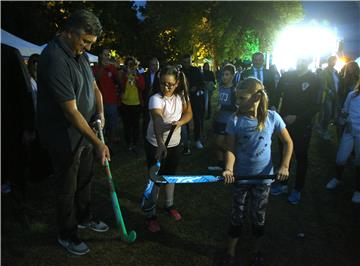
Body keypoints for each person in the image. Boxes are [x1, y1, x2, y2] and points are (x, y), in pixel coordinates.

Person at [37, 9, 111, 256]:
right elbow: (70, 111)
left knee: (85, 179)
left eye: (91, 43)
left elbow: (94, 87)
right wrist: (98, 143)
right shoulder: (54, 58)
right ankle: (66, 233)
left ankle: (85, 216)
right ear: (69, 32)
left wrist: (100, 114)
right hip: (64, 136)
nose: (87, 47)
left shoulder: (79, 54)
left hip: (85, 132)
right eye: (85, 41)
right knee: (67, 187)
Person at [221, 78, 293, 266]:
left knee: (258, 216)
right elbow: (230, 149)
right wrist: (228, 168)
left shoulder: (272, 118)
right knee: (237, 215)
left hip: (263, 179)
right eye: (236, 98)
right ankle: (230, 252)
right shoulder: (235, 120)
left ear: (257, 97)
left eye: (242, 98)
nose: (237, 102)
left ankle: (257, 250)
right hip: (241, 177)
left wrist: (284, 166)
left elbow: (288, 142)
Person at [141, 65, 193, 233]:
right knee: (155, 178)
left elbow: (188, 114)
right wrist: (161, 144)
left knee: (170, 176)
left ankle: (169, 205)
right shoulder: (155, 98)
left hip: (174, 143)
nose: (166, 87)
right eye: (163, 83)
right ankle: (151, 214)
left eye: (170, 84)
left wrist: (180, 123)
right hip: (155, 144)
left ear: (177, 83)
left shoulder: (181, 97)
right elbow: (157, 119)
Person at [271, 57, 321, 204]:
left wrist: (298, 117)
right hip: (284, 124)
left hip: (302, 125)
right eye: (299, 59)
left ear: (310, 60)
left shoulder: (315, 80)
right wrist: (274, 108)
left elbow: (317, 106)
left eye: (304, 60)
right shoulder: (287, 75)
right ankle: (283, 185)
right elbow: (276, 94)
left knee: (301, 157)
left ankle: (297, 189)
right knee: (284, 154)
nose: (301, 62)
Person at [325, 79, 360, 203]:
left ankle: (358, 190)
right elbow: (345, 110)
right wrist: (345, 121)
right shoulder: (352, 95)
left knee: (358, 162)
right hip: (349, 132)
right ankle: (337, 178)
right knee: (340, 158)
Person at [208, 64, 237, 171]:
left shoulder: (234, 90)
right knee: (216, 142)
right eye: (223, 74)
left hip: (228, 121)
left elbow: (236, 107)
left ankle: (235, 156)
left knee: (220, 142)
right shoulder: (220, 87)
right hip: (218, 119)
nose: (224, 77)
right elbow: (217, 102)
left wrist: (223, 107)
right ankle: (220, 164)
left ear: (232, 76)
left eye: (227, 75)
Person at [93, 48, 122, 147]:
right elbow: (95, 79)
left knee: (112, 125)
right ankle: (101, 146)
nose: (106, 57)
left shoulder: (112, 67)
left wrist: (116, 69)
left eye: (108, 55)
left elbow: (119, 81)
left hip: (112, 101)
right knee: (100, 127)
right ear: (100, 56)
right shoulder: (96, 67)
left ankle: (110, 146)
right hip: (100, 102)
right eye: (105, 55)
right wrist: (103, 67)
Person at [119, 56, 145, 152]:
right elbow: (120, 86)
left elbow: (142, 87)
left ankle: (135, 143)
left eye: (132, 65)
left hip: (136, 104)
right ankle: (128, 143)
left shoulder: (139, 75)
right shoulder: (123, 75)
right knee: (126, 125)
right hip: (125, 104)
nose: (131, 67)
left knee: (135, 125)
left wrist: (136, 77)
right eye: (129, 65)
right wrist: (125, 76)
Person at [181, 54, 206, 150]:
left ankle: (197, 139)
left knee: (197, 119)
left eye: (188, 62)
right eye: (185, 62)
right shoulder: (180, 72)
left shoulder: (196, 70)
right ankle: (186, 139)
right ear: (182, 62)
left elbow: (202, 83)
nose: (187, 64)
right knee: (184, 119)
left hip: (195, 99)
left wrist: (196, 88)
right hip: (183, 99)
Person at [318, 56, 340, 140]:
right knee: (327, 113)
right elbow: (323, 85)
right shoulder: (325, 72)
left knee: (331, 114)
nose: (334, 63)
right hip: (327, 96)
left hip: (335, 95)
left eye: (335, 61)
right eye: (333, 61)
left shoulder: (335, 72)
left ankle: (323, 129)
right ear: (329, 61)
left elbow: (338, 83)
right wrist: (330, 92)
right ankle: (323, 130)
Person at [142, 57, 160, 141]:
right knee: (146, 120)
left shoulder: (161, 75)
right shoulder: (145, 75)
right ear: (149, 66)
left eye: (156, 65)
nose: (155, 67)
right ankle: (146, 136)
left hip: (158, 101)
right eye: (153, 65)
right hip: (147, 101)